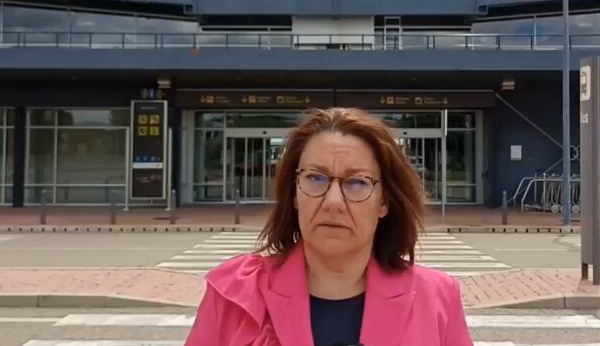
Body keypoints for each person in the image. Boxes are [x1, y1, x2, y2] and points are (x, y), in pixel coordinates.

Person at [184, 107, 471, 346]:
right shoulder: (233, 295)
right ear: (294, 193)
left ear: (384, 202)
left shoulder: (438, 299)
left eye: (357, 182)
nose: (333, 201)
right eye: (316, 178)